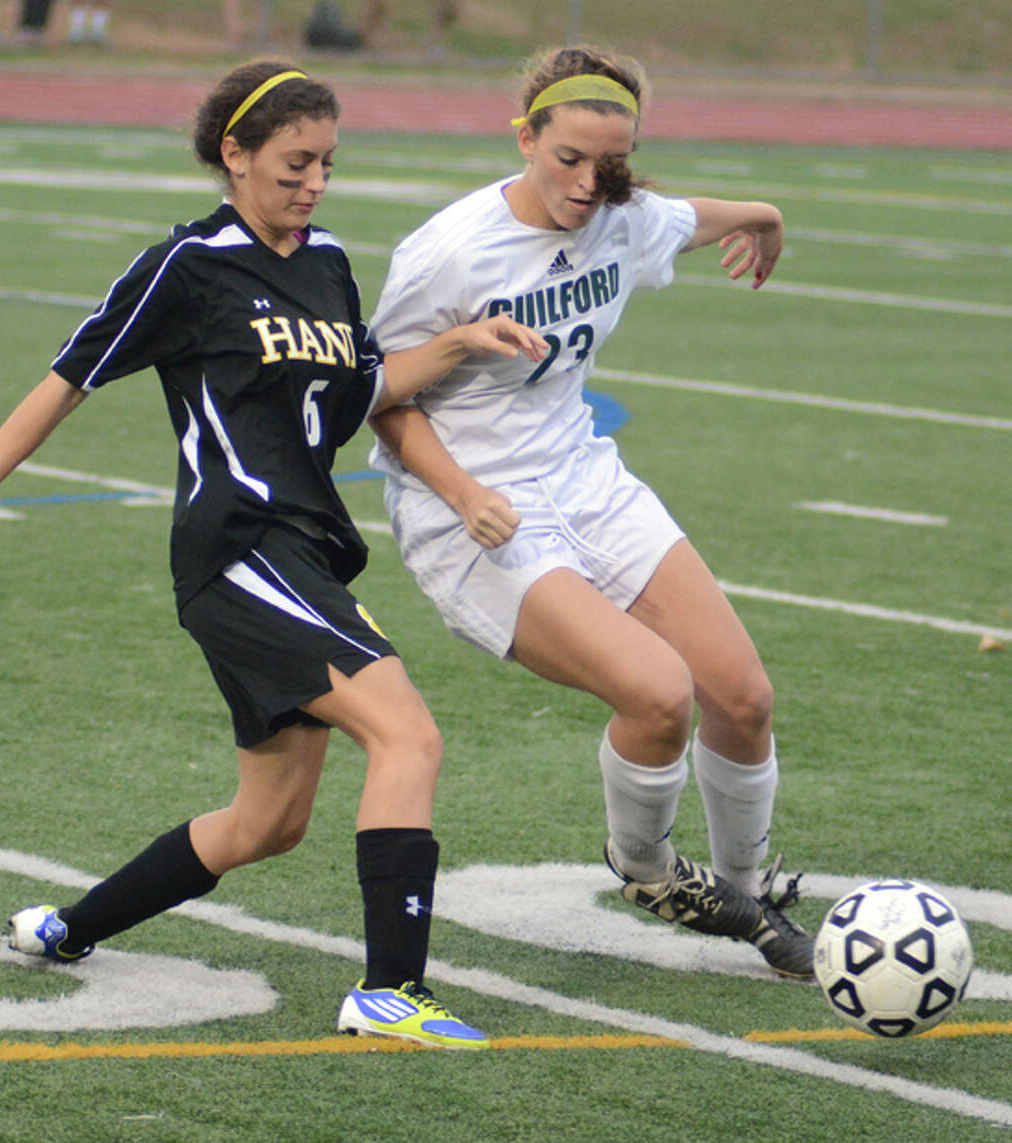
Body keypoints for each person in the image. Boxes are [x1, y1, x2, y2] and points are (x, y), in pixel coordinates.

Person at [0, 60, 545, 1049]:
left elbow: (357, 392)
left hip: (307, 549)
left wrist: (459, 345)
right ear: (232, 156)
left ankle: (67, 929)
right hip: (236, 547)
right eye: (293, 164)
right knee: (408, 736)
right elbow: (66, 380)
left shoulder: (326, 264)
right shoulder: (186, 268)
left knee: (267, 823)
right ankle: (390, 992)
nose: (314, 182)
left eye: (327, 162)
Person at [367, 45, 815, 978]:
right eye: (566, 157)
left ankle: (748, 889)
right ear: (525, 136)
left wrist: (767, 219)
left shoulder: (625, 216)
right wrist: (462, 493)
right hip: (472, 508)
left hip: (585, 478)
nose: (586, 181)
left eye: (608, 164)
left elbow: (697, 216)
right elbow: (378, 397)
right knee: (658, 694)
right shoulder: (450, 251)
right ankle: (645, 865)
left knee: (743, 696)